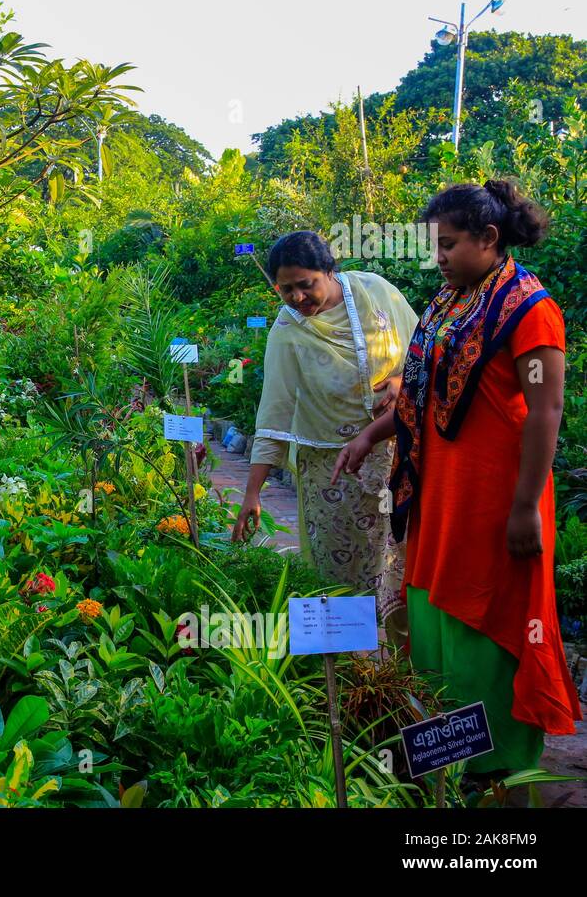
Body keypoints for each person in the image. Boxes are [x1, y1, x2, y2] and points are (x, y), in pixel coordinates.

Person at [333, 180, 583, 778]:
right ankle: (445, 760)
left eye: (447, 245)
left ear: (489, 239)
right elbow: (425, 395)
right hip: (439, 496)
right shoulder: (450, 303)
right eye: (433, 246)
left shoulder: (531, 309)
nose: (438, 257)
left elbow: (545, 410)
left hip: (498, 499)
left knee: (488, 616)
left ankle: (496, 768)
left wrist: (525, 507)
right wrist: (373, 433)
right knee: (435, 613)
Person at [232, 231, 418, 645]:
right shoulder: (287, 330)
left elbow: (425, 357)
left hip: (394, 460)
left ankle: (402, 680)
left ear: (330, 272)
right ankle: (342, 682)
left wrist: (401, 380)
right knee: (336, 578)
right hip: (330, 475)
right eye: (286, 289)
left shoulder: (376, 294)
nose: (297, 297)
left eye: (306, 284)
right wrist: (252, 494)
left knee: (399, 569)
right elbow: (274, 414)